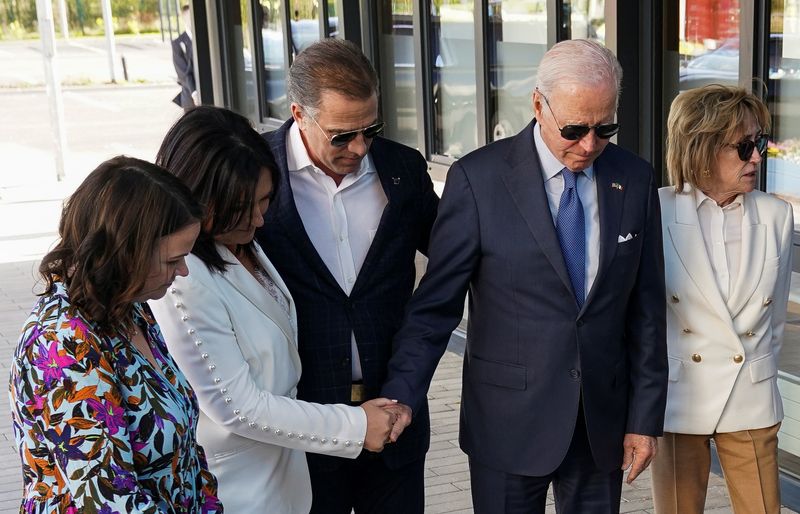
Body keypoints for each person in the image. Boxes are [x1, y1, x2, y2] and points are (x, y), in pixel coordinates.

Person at [380, 38, 668, 513]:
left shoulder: (633, 178)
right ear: (538, 104)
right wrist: (402, 394)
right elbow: (435, 306)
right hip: (506, 424)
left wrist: (644, 419)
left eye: (605, 128)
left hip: (599, 424)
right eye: (574, 129)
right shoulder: (478, 179)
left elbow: (647, 309)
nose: (590, 145)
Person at [149, 106, 400, 513]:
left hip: (284, 478)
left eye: (264, 200)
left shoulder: (238, 244)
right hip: (238, 488)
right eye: (241, 207)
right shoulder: (184, 276)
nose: (259, 219)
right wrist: (354, 426)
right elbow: (236, 405)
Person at [254, 39, 439, 513]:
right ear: (298, 113)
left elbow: (450, 259)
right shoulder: (257, 174)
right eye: (341, 135)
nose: (360, 147)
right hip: (304, 427)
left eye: (370, 129)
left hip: (396, 421)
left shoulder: (403, 168)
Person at [9, 156, 222, 513]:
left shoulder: (129, 306)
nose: (183, 271)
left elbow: (184, 452)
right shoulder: (64, 343)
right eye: (172, 260)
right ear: (125, 253)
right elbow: (108, 501)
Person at [651, 84, 793, 514]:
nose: (757, 157)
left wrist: (760, 373)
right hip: (679, 396)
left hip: (750, 396)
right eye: (745, 146)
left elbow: (776, 321)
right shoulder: (654, 211)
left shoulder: (776, 215)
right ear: (701, 147)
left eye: (761, 143)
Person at [171, 5, 196, 111]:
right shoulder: (178, 43)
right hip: (189, 98)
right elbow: (182, 73)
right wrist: (194, 92)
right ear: (184, 19)